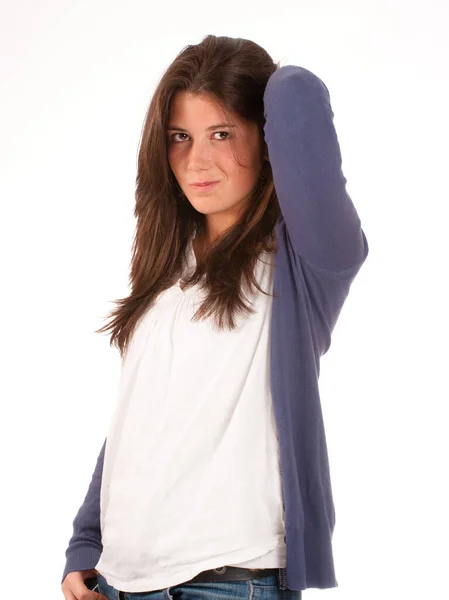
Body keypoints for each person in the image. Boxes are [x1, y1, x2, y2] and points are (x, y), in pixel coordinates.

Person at [61, 34, 369, 600]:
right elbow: (140, 419)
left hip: (228, 582)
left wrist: (256, 77)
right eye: (180, 137)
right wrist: (86, 542)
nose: (196, 161)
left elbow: (298, 98)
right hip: (118, 583)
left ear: (268, 139)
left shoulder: (301, 265)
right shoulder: (164, 269)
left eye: (222, 134)